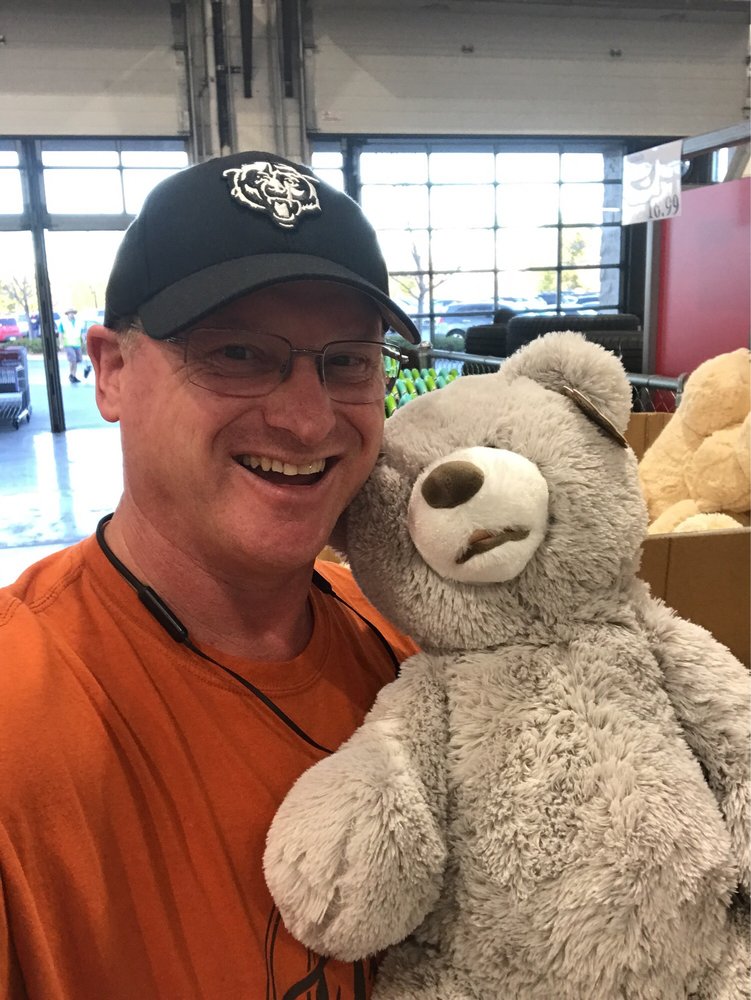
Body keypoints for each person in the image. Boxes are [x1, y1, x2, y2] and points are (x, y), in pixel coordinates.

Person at [0, 151, 422, 999]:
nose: (307, 420)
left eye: (347, 361)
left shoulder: (413, 646)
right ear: (111, 370)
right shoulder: (21, 716)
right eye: (236, 352)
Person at [57, 306, 85, 383]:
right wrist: (61, 344)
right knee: (73, 359)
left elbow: (81, 332)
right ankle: (71, 375)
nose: (71, 314)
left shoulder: (79, 322)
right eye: (69, 313)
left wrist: (83, 339)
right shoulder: (63, 323)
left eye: (72, 313)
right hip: (68, 344)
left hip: (77, 343)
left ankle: (73, 375)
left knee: (78, 360)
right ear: (67, 314)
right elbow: (60, 334)